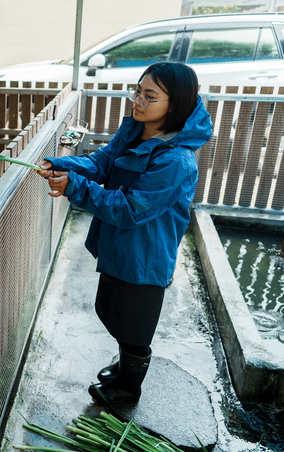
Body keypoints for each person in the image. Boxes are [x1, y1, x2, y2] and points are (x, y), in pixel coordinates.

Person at [36, 61, 212, 405]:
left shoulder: (176, 160)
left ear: (174, 105)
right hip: (119, 246)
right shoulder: (136, 131)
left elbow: (130, 210)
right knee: (110, 310)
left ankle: (127, 389)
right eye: (137, 91)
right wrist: (64, 165)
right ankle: (123, 368)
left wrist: (75, 188)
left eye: (150, 96)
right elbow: (102, 163)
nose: (138, 100)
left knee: (134, 330)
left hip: (144, 258)